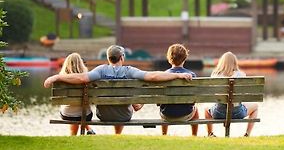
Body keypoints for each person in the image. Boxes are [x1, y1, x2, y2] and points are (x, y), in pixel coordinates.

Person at [44, 45, 192, 135]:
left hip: (103, 115)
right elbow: (152, 76)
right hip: (123, 116)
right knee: (128, 104)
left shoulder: (100, 70)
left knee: (116, 103)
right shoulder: (129, 71)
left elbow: (81, 78)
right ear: (122, 57)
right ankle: (117, 136)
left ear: (109, 58)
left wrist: (57, 77)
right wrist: (178, 75)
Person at [205, 51, 258, 137]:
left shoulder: (215, 75)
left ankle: (210, 134)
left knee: (206, 109)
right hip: (238, 112)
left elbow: (214, 94)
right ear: (235, 63)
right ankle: (247, 134)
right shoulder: (241, 75)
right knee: (255, 106)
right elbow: (243, 94)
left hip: (218, 112)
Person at [159, 44, 199, 136]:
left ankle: (164, 134)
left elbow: (160, 100)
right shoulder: (191, 75)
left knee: (163, 107)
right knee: (196, 110)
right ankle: (194, 135)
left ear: (169, 59)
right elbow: (194, 97)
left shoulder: (163, 75)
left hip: (167, 114)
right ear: (185, 58)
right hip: (186, 114)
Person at [58, 53, 96, 136]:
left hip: (66, 114)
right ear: (81, 64)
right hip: (86, 115)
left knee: (73, 110)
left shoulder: (61, 79)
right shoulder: (87, 78)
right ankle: (89, 129)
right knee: (80, 111)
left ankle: (74, 136)